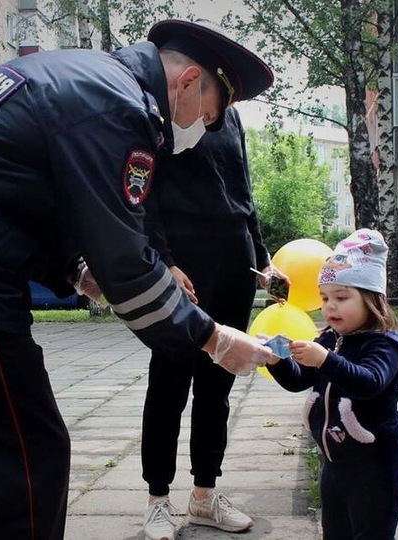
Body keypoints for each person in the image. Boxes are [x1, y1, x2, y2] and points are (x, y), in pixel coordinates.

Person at [0, 19, 277, 540]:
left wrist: (78, 271)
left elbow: (23, 197)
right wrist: (213, 339)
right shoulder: (122, 106)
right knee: (31, 459)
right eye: (208, 116)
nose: (199, 129)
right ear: (189, 80)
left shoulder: (85, 77)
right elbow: (126, 259)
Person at [139, 104, 276, 540]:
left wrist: (264, 261)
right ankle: (158, 502)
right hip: (184, 263)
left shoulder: (230, 117)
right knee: (168, 385)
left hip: (234, 260)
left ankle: (203, 497)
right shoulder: (158, 112)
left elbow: (244, 191)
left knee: (217, 387)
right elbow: (144, 194)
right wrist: (165, 261)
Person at [263, 229, 398, 540]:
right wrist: (276, 360)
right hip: (334, 465)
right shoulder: (331, 339)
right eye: (325, 298)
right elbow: (300, 380)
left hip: (376, 470)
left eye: (342, 297)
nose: (330, 306)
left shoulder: (385, 346)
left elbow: (369, 383)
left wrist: (324, 360)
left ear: (372, 299)